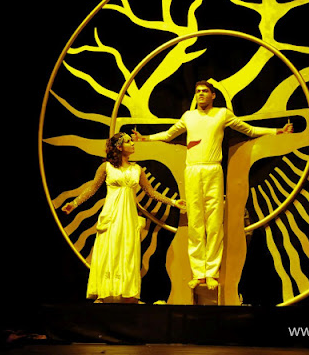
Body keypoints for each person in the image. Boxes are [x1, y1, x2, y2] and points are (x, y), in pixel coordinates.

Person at [132, 81, 293, 290]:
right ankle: (199, 273)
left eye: (204, 91)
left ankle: (211, 273)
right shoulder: (188, 116)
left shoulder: (222, 114)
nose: (200, 94)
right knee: (195, 222)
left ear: (213, 95)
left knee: (214, 222)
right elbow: (169, 135)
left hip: (213, 170)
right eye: (198, 91)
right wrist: (145, 138)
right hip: (192, 170)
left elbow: (250, 130)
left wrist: (277, 132)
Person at [62, 132, 186, 303]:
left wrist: (173, 202)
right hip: (112, 215)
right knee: (109, 250)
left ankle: (128, 294)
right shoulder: (106, 167)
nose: (132, 143)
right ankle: (104, 293)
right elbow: (92, 188)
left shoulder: (137, 169)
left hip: (129, 216)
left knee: (128, 252)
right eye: (128, 141)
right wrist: (74, 203)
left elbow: (151, 192)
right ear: (119, 147)